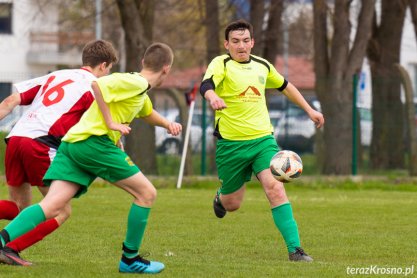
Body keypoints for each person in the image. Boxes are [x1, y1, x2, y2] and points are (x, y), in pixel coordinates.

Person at [0, 42, 181, 274]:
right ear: (167, 68)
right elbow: (98, 85)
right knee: (147, 194)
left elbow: (146, 111)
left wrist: (168, 124)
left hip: (66, 143)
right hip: (87, 143)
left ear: (143, 62)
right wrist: (111, 125)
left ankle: (3, 241)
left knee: (50, 206)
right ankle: (130, 259)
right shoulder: (136, 82)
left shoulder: (135, 88)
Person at [200, 19, 324, 262]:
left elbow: (286, 87)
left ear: (252, 42)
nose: (241, 46)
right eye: (235, 41)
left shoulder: (262, 66)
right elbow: (207, 84)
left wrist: (310, 110)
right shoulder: (221, 63)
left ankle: (295, 250)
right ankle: (221, 197)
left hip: (262, 141)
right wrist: (212, 96)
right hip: (230, 145)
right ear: (227, 44)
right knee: (233, 203)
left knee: (276, 188)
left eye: (245, 41)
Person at [0, 40, 118, 265]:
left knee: (19, 208)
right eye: (109, 69)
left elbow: (11, 100)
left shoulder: (55, 76)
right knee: (60, 210)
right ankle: (9, 249)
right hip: (40, 144)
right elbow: (99, 124)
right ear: (103, 65)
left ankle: (8, 248)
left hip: (16, 138)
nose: (107, 74)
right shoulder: (95, 86)